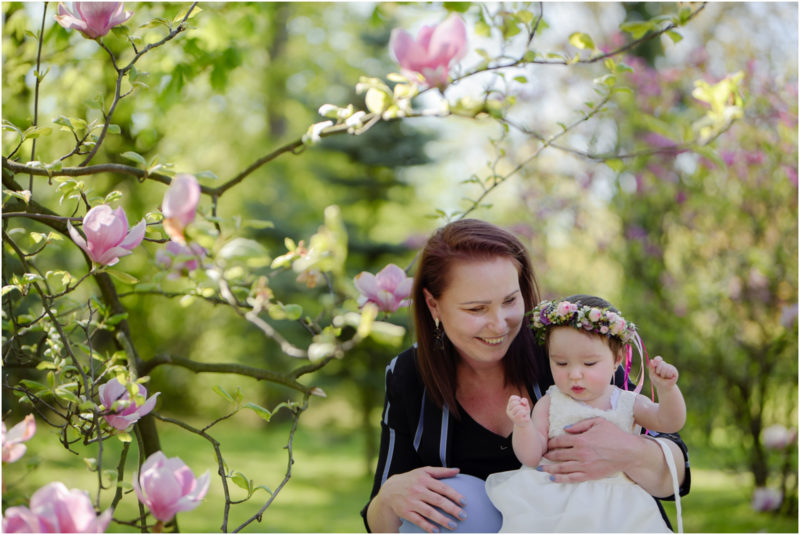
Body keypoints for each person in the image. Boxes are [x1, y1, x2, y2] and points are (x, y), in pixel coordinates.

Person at [361, 219, 690, 533]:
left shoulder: (566, 353)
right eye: (476, 309)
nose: (499, 323)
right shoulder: (409, 375)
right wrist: (390, 497)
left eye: (509, 300)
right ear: (434, 305)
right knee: (446, 499)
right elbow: (384, 522)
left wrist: (631, 451)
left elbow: (677, 467)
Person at [485, 295, 686, 532]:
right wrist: (522, 426)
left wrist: (667, 390)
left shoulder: (627, 402)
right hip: (553, 502)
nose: (575, 374)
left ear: (616, 360)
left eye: (589, 364)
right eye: (561, 363)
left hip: (618, 506)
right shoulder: (551, 402)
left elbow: (670, 421)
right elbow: (530, 456)